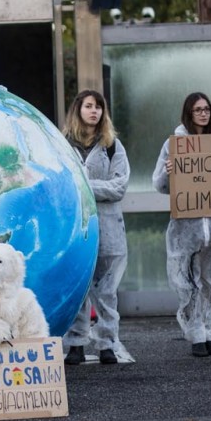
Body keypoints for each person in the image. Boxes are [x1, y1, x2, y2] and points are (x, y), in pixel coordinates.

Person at [152, 92, 211, 357]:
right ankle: (195, 335)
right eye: (198, 110)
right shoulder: (174, 144)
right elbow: (159, 184)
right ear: (188, 113)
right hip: (187, 228)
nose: (203, 113)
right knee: (188, 284)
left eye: (207, 109)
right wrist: (168, 173)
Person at [61, 90, 129, 366]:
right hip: (77, 227)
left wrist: (86, 186)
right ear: (78, 110)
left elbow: (119, 186)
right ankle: (76, 343)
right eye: (89, 106)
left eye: (98, 107)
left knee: (107, 291)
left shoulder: (113, 146)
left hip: (109, 227)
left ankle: (107, 344)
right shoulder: (63, 143)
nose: (94, 111)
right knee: (78, 288)